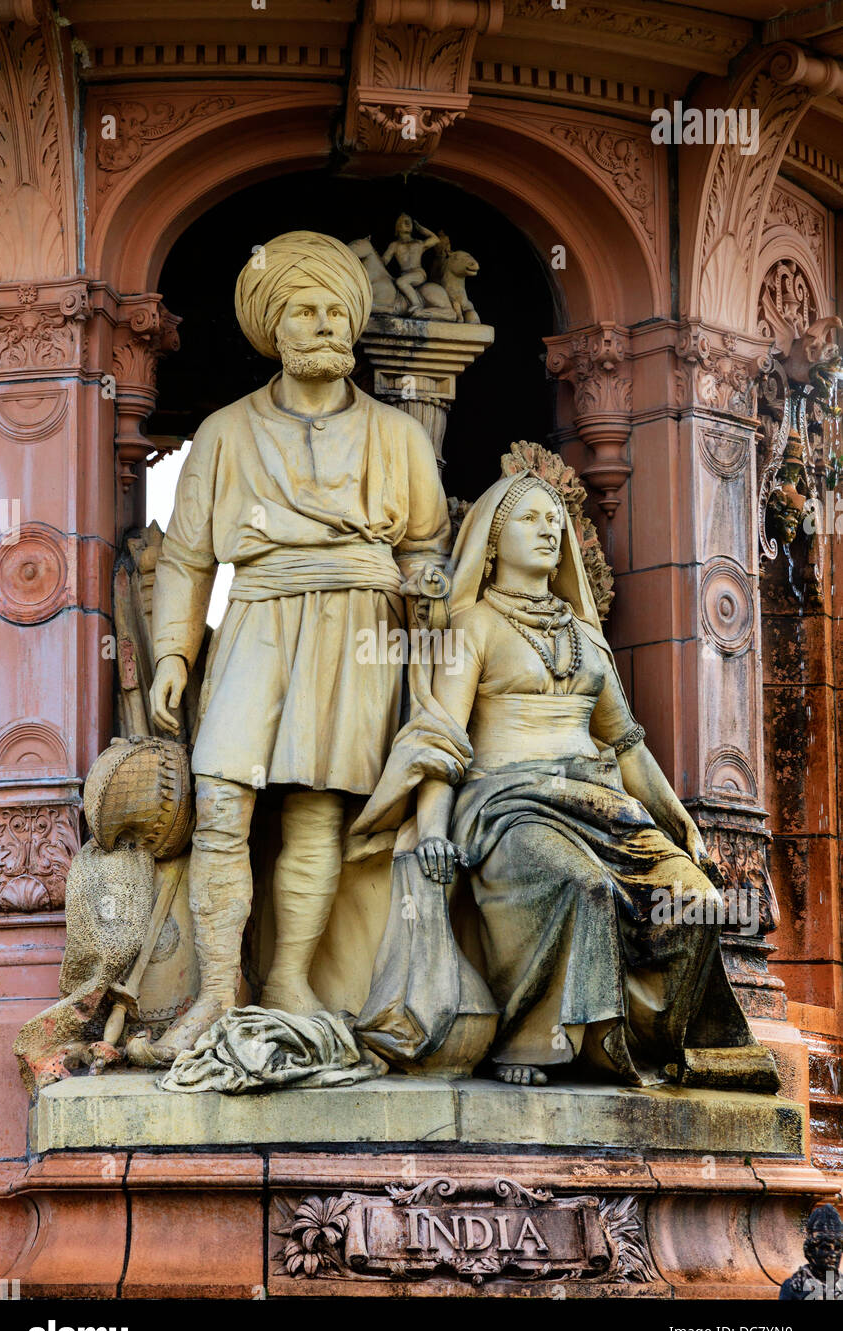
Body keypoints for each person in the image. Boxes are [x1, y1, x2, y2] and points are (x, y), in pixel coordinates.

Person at [364, 468, 774, 1087]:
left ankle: (643, 1044)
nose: (547, 530)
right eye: (529, 518)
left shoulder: (586, 638)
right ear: (494, 540)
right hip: (508, 804)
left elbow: (628, 744)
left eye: (554, 520)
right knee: (581, 885)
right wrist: (431, 831)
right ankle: (536, 1042)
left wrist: (675, 816)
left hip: (604, 806)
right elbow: (439, 741)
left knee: (698, 902)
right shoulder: (473, 627)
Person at [148, 230, 451, 1054]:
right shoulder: (223, 433)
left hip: (358, 630)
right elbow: (186, 556)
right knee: (220, 803)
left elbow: (426, 551)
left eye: (333, 312)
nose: (323, 326)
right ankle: (216, 989)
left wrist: (427, 610)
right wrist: (175, 652)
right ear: (272, 331)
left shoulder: (399, 438)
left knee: (319, 813)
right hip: (258, 620)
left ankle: (288, 977)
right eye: (304, 313)